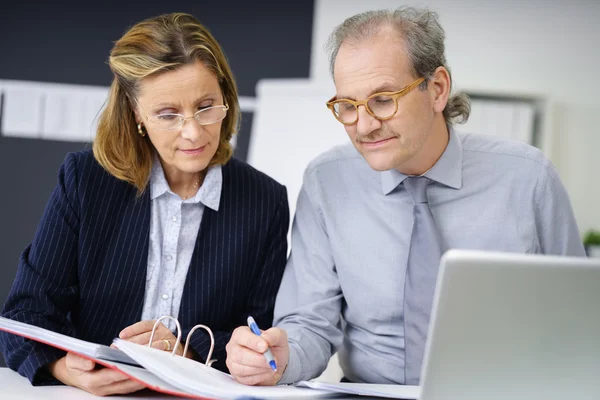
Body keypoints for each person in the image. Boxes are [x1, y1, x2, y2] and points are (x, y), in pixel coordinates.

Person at [225, 6, 586, 386]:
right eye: (348, 106)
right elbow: (310, 323)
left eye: (383, 99)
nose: (363, 126)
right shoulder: (326, 182)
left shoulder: (528, 179)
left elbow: (576, 322)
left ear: (437, 89)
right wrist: (285, 357)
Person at [0, 12, 289, 396]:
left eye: (206, 106)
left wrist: (187, 349)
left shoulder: (264, 201)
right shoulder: (86, 180)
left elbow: (259, 337)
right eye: (168, 114)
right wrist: (65, 370)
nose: (193, 132)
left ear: (226, 98)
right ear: (137, 115)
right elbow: (22, 316)